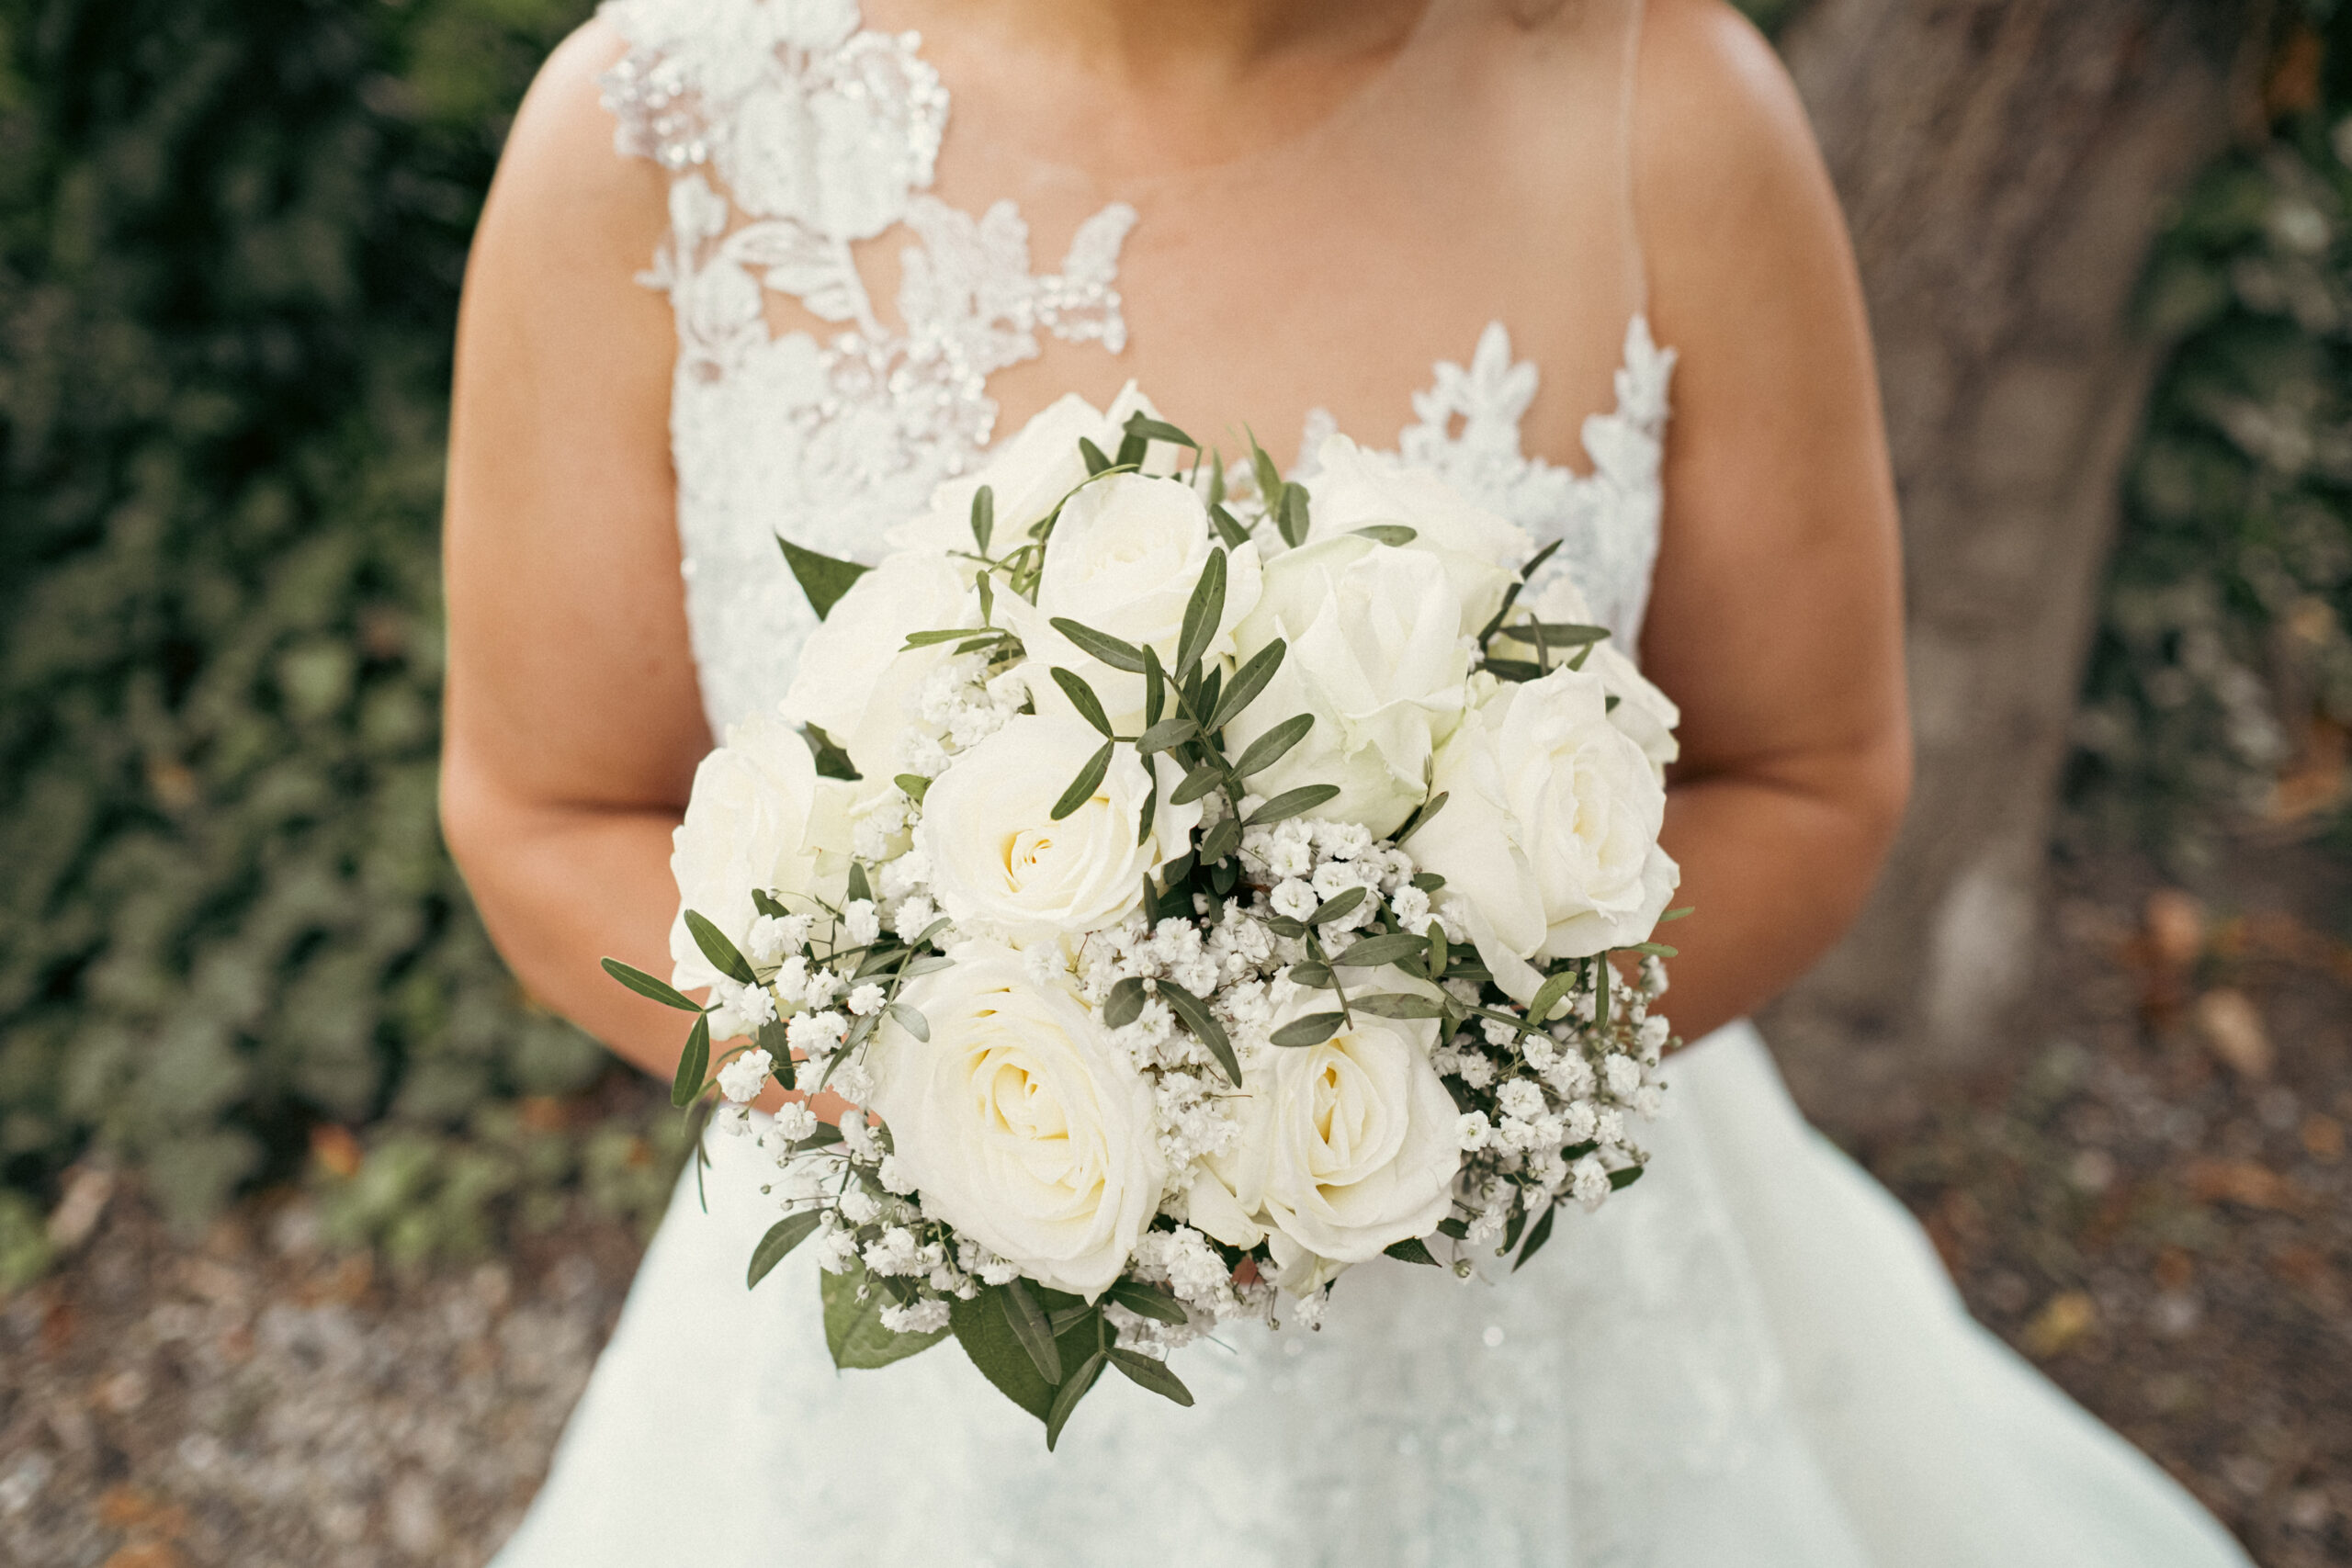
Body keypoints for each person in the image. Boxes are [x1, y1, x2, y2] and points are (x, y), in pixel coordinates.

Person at [439, 0, 2256, 1562]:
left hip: (1531, 1312)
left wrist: (1400, 1108)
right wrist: (953, 1092)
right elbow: (546, 811)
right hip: (904, 1360)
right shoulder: (653, 139)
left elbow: (1806, 774)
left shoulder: (1662, 109)